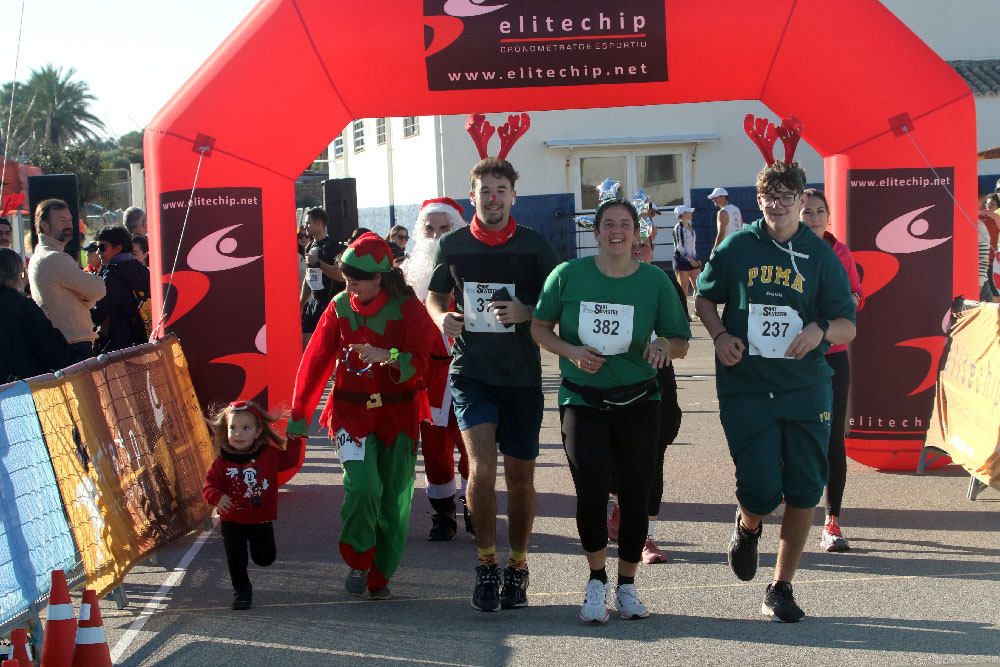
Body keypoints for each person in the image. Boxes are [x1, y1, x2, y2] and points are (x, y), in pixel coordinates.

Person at [696, 151, 856, 622]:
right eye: (770, 196)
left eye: (787, 197)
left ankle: (781, 587)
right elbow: (704, 298)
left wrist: (820, 329)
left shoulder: (820, 254)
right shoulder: (738, 247)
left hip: (806, 386)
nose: (778, 205)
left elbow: (848, 325)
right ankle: (748, 526)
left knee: (805, 487)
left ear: (801, 201)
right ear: (759, 199)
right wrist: (720, 336)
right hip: (748, 385)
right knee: (760, 486)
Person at [532, 193, 690, 622]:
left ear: (636, 233)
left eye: (625, 224)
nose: (617, 231)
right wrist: (571, 352)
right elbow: (539, 328)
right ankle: (596, 579)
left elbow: (680, 341)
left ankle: (628, 585)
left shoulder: (655, 281)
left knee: (635, 495)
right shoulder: (568, 275)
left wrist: (663, 345)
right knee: (591, 491)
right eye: (608, 224)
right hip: (582, 398)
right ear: (596, 233)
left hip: (639, 400)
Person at [426, 156, 561, 612]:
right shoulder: (453, 244)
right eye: (485, 190)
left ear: (513, 196)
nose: (493, 197)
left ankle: (517, 567)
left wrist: (528, 312)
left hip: (522, 378)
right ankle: (486, 564)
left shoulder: (536, 245)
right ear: (473, 197)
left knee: (520, 479)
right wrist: (440, 318)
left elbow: (561, 300)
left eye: (501, 189)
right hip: (472, 374)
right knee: (482, 469)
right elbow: (434, 296)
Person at [288, 232, 440, 600]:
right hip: (350, 414)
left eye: (356, 278)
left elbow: (425, 360)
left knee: (394, 500)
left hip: (398, 416)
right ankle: (358, 557)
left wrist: (389, 356)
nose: (349, 284)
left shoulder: (408, 308)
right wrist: (299, 416)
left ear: (379, 278)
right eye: (346, 276)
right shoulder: (339, 306)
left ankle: (379, 574)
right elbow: (314, 363)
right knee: (362, 487)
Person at [605, 230, 689, 566]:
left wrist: (663, 344)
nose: (638, 251)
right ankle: (617, 501)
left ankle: (647, 536)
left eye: (645, 246)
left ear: (654, 250)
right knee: (613, 457)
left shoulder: (664, 284)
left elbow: (681, 339)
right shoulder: (602, 280)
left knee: (653, 459)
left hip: (657, 379)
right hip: (612, 379)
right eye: (634, 245)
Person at [402, 197, 471, 541]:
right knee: (434, 450)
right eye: (429, 229)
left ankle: (475, 505)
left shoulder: (472, 273)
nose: (436, 236)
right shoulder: (407, 280)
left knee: (473, 446)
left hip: (469, 374)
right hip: (428, 378)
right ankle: (443, 514)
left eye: (445, 228)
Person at [801, 188, 865, 553]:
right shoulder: (783, 249)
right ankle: (781, 496)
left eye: (819, 211)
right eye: (807, 211)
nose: (813, 218)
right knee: (791, 429)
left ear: (829, 216)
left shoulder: (840, 252)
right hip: (792, 354)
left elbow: (858, 295)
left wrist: (842, 304)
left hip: (833, 354)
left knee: (832, 437)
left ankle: (833, 521)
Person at [203, 400, 304, 610]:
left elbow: (290, 460)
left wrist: (294, 440)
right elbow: (209, 487)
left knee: (265, 558)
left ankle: (256, 563)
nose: (238, 434)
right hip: (232, 521)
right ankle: (242, 590)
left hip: (260, 520)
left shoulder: (268, 455)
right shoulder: (222, 462)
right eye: (233, 428)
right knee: (236, 559)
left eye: (246, 428)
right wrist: (218, 497)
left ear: (257, 432)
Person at [28, 198, 106, 363]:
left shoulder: (41, 256)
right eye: (61, 220)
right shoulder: (54, 258)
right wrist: (87, 296)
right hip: (73, 347)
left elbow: (91, 297)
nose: (69, 225)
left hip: (65, 345)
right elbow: (99, 290)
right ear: (44, 225)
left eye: (70, 219)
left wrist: (86, 297)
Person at [0, 248, 72, 383]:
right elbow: (55, 353)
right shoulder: (25, 307)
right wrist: (45, 320)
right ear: (19, 274)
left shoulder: (24, 307)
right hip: (24, 385)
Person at [91, 225, 151, 353]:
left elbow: (97, 313)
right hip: (145, 343)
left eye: (102, 247)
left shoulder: (114, 275)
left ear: (118, 248)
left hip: (120, 347)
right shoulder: (143, 270)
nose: (98, 252)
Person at [300, 207, 346, 347]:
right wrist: (301, 302)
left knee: (327, 346)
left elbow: (340, 276)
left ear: (318, 223)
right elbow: (309, 276)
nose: (305, 226)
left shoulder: (332, 246)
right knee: (305, 343)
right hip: (314, 302)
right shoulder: (309, 246)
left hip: (329, 303)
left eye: (308, 223)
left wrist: (319, 263)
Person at [671, 205, 701, 297]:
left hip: (692, 260)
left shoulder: (690, 227)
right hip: (682, 261)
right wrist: (689, 259)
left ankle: (698, 306)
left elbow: (692, 246)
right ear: (683, 214)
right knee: (683, 288)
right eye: (689, 212)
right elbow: (679, 247)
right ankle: (683, 306)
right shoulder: (678, 228)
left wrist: (695, 259)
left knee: (699, 287)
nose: (691, 213)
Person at [708, 187, 743, 252]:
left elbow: (721, 233)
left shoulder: (722, 212)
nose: (713, 199)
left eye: (715, 197)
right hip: (739, 247)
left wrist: (715, 250)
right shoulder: (736, 209)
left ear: (722, 196)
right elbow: (741, 227)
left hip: (727, 248)